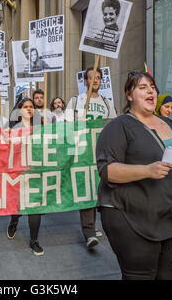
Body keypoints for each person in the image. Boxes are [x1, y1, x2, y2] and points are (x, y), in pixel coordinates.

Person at [96, 71, 172, 280]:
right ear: (129, 95)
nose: (150, 90)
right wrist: (147, 170)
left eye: (152, 87)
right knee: (140, 275)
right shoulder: (117, 127)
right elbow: (107, 171)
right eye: (142, 87)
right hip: (130, 216)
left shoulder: (170, 124)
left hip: (171, 214)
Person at [64, 67, 116, 250]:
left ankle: (96, 225)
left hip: (102, 154)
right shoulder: (75, 101)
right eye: (92, 77)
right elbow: (67, 129)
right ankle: (89, 232)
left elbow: (113, 128)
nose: (95, 80)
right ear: (85, 81)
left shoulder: (107, 103)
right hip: (83, 154)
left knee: (101, 190)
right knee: (86, 191)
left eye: (99, 78)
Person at [6, 98, 44, 256]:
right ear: (19, 110)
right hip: (18, 172)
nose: (29, 109)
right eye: (25, 107)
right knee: (18, 205)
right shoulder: (14, 128)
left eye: (31, 107)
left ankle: (34, 240)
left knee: (35, 206)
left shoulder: (41, 127)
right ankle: (14, 221)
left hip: (35, 170)